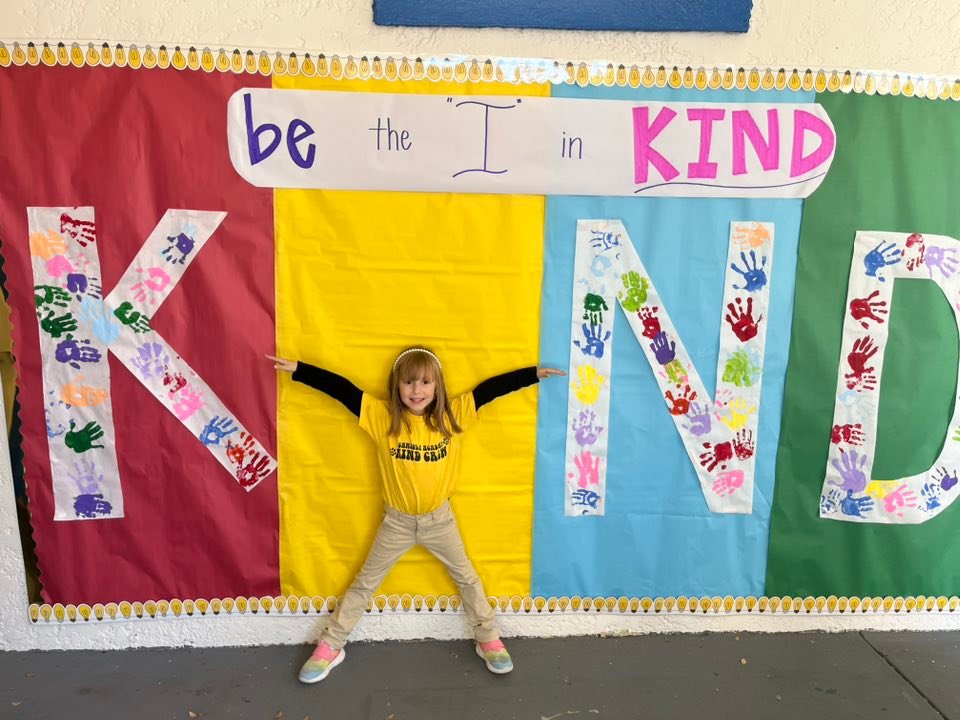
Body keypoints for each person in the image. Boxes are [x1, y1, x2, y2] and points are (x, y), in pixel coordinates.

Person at [267, 347, 565, 684]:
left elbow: (489, 390)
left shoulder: (452, 416)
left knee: (468, 579)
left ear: (437, 387)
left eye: (425, 382)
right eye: (409, 383)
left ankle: (488, 639)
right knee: (365, 583)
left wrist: (531, 374)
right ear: (397, 386)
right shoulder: (382, 418)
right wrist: (299, 369)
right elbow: (342, 389)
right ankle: (332, 645)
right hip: (396, 523)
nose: (417, 391)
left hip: (441, 521)